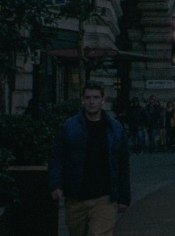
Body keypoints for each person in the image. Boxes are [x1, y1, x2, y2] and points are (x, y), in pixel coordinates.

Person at [50, 84, 131, 236]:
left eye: (96, 97)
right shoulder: (69, 127)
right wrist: (56, 184)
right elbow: (57, 157)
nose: (91, 101)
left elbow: (122, 164)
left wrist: (124, 197)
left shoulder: (115, 129)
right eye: (88, 98)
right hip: (76, 197)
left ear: (103, 101)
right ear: (82, 100)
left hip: (104, 197)